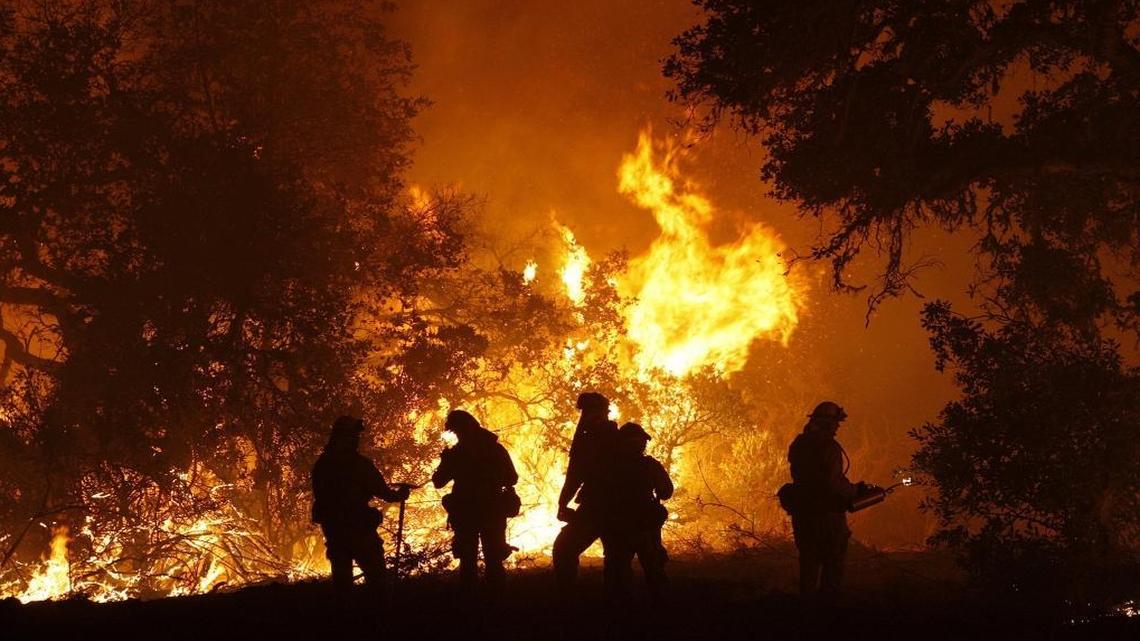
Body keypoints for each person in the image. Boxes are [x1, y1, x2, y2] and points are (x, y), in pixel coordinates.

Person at [311, 415, 410, 595]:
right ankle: (376, 616)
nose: (356, 440)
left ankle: (347, 616)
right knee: (376, 575)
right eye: (353, 436)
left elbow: (321, 495)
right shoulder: (358, 465)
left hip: (333, 529)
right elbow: (383, 492)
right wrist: (400, 495)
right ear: (345, 438)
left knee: (342, 579)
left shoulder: (322, 465)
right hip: (358, 528)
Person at [432, 409, 519, 596]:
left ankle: (470, 602)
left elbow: (438, 482)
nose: (456, 434)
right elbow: (512, 478)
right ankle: (496, 601)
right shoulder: (495, 449)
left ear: (460, 430)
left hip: (466, 512)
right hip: (492, 510)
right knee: (493, 558)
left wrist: (445, 460)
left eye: (455, 431)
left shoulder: (456, 454)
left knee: (468, 560)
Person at [786, 401, 864, 603]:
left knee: (809, 563)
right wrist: (855, 490)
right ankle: (828, 614)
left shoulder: (799, 444)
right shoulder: (828, 447)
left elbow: (805, 477)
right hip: (827, 516)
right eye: (835, 423)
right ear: (827, 423)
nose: (837, 427)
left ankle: (806, 611)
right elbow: (832, 484)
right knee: (833, 562)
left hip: (803, 514)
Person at [552, 391, 620, 594]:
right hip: (612, 504)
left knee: (564, 549)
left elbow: (576, 473)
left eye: (589, 411)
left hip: (599, 505)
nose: (585, 416)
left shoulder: (590, 436)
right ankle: (617, 603)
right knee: (617, 557)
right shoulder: (612, 435)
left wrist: (563, 503)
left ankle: (569, 598)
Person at [604, 422, 673, 603]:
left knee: (618, 568)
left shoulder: (608, 466)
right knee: (653, 567)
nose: (641, 445)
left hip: (618, 525)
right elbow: (666, 491)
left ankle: (621, 608)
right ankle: (659, 607)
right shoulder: (649, 465)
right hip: (643, 524)